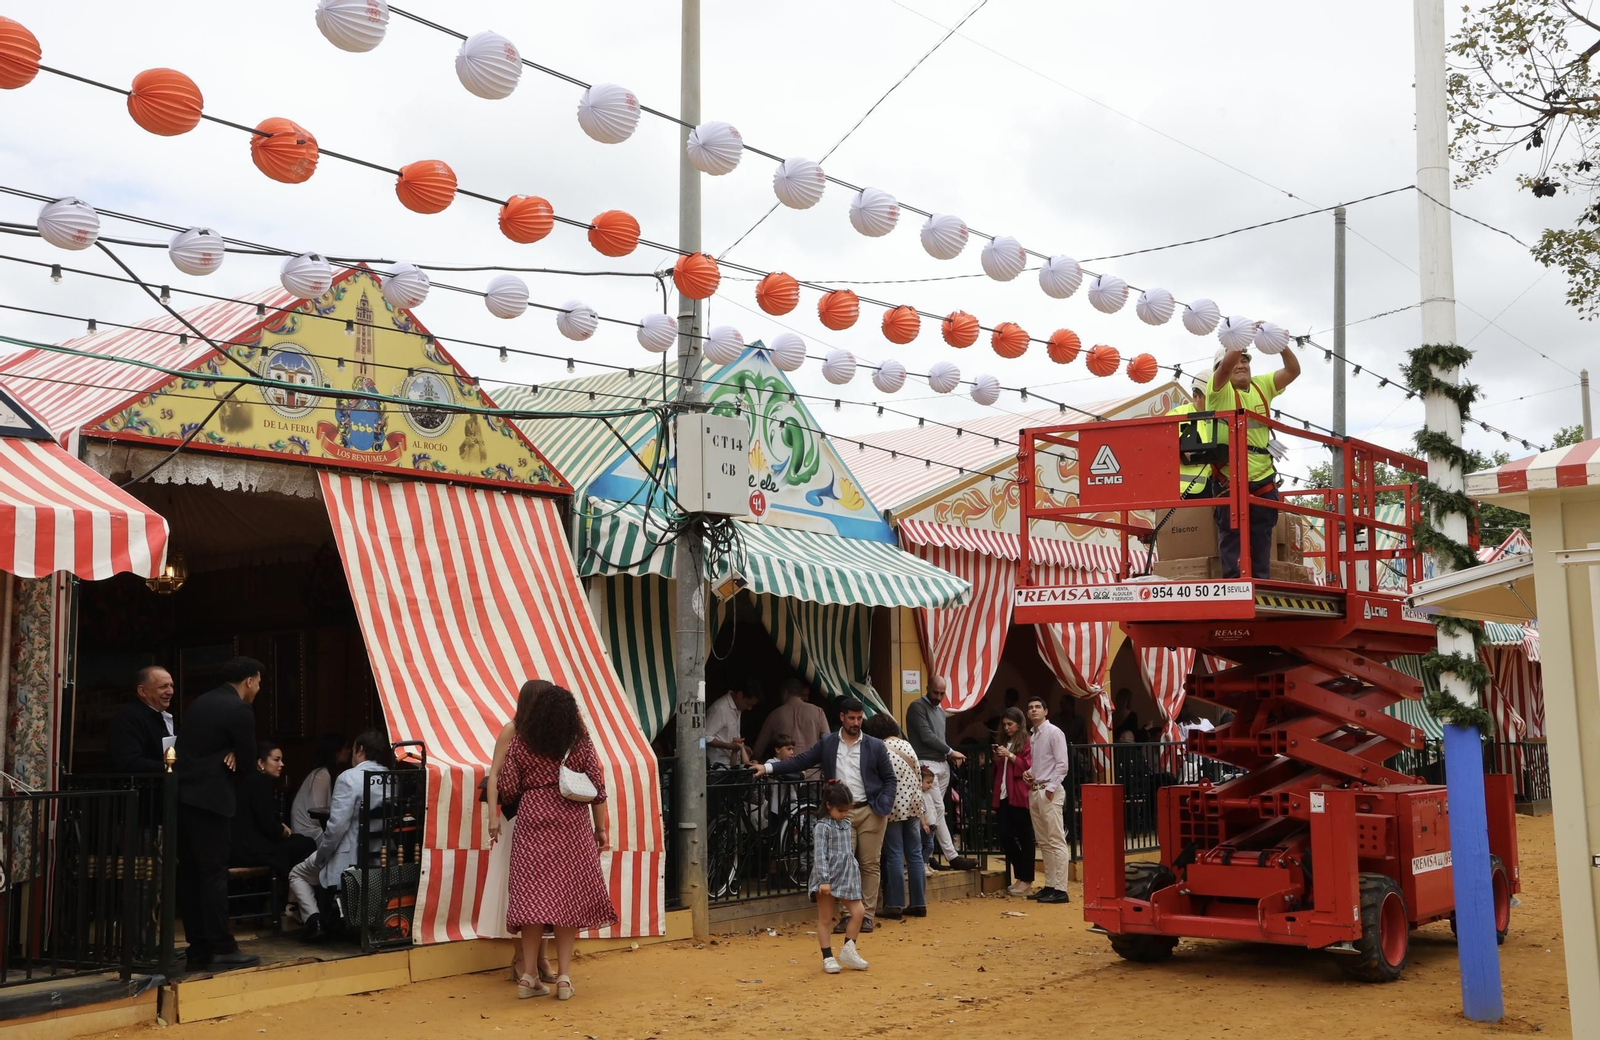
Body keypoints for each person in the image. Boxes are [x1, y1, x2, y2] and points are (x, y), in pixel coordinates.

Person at [493, 684, 616, 1001]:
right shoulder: (580, 741)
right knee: (567, 900)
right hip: (572, 823)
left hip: (533, 821)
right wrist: (600, 828)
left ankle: (528, 977)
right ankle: (563, 979)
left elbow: (507, 788)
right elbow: (597, 786)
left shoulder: (521, 742)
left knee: (532, 899)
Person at [753, 697, 895, 932]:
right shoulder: (829, 743)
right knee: (841, 863)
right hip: (841, 813)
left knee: (870, 864)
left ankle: (866, 915)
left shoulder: (875, 745)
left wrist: (885, 804)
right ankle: (847, 915)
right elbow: (800, 760)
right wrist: (768, 767)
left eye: (859, 718)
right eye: (851, 718)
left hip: (870, 810)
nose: (856, 722)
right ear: (841, 717)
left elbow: (889, 779)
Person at [173, 656, 263, 970]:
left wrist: (234, 749)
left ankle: (198, 948)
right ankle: (223, 947)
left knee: (190, 875)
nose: (258, 689)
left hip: (183, 798)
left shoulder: (200, 703)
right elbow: (251, 766)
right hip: (212, 800)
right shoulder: (240, 709)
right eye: (258, 683)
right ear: (249, 681)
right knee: (213, 876)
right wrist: (240, 752)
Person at [484, 681, 559, 987]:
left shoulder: (548, 731)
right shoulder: (511, 729)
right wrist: (492, 815)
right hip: (514, 816)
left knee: (541, 888)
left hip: (540, 818)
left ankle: (538, 958)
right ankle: (521, 959)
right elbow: (494, 775)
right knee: (514, 886)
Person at [287, 730, 394, 943]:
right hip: (380, 857)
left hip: (349, 859)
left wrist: (322, 855)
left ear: (360, 750)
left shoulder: (349, 778)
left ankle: (314, 920)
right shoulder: (390, 777)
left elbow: (336, 828)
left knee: (296, 874)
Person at [1208, 340, 1300, 579]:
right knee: (1231, 536)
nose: (1242, 365)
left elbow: (1293, 371)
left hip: (1262, 479)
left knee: (1261, 537)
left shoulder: (1261, 386)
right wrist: (1239, 340)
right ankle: (1233, 586)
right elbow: (1226, 369)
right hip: (1229, 479)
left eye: (1245, 360)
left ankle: (1261, 583)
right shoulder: (1218, 390)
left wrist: (1279, 343)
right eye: (1236, 361)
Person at [905, 676, 977, 871]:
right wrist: (950, 752)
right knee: (935, 811)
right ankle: (951, 856)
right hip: (926, 764)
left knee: (935, 812)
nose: (938, 697)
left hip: (940, 764)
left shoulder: (939, 710)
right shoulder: (917, 707)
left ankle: (927, 855)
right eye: (935, 692)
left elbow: (938, 738)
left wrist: (948, 755)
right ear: (927, 688)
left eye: (942, 693)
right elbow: (926, 736)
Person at [862, 714, 926, 921]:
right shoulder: (908, 746)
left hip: (893, 806)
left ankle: (895, 904)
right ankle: (919, 903)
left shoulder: (880, 748)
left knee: (895, 854)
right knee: (915, 853)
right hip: (915, 803)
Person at [808, 781, 869, 974]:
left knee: (859, 912)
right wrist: (823, 879)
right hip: (827, 876)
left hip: (846, 875)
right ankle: (827, 957)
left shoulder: (847, 823)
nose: (844, 814)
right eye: (841, 810)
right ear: (829, 805)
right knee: (825, 918)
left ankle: (849, 949)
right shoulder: (821, 827)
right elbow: (819, 855)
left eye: (847, 810)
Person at [231, 742, 316, 879]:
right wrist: (283, 832)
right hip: (253, 850)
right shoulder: (261, 781)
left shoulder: (247, 780)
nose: (281, 764)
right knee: (307, 843)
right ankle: (290, 897)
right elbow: (267, 824)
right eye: (276, 760)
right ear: (261, 763)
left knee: (300, 841)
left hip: (240, 847)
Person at [1022, 695, 1070, 905]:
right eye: (1030, 707)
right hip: (1036, 788)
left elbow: (1062, 764)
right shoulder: (1034, 736)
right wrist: (1029, 772)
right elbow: (1042, 764)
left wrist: (1051, 788)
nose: (1033, 710)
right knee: (1043, 841)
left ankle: (1061, 888)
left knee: (1056, 839)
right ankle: (1050, 885)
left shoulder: (1054, 732)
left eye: (1037, 707)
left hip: (1049, 790)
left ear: (1046, 711)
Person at [990, 707, 1035, 897]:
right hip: (1004, 794)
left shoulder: (1027, 741)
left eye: (1010, 724)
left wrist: (1010, 756)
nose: (1007, 728)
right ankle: (1022, 875)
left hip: (1019, 794)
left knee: (1025, 837)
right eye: (1005, 724)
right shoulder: (1004, 742)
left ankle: (1026, 879)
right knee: (1005, 835)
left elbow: (1028, 766)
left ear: (1019, 724)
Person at [108, 665, 176, 774]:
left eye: (171, 685)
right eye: (163, 687)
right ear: (142, 691)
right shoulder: (128, 719)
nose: (170, 691)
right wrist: (171, 768)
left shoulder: (164, 716)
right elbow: (129, 763)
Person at [752, 678, 829, 761]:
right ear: (800, 693)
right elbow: (829, 743)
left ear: (785, 692)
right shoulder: (818, 712)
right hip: (814, 771)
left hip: (785, 771)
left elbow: (757, 751)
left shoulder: (775, 714)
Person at [289, 734, 348, 838]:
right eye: (346, 748)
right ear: (336, 752)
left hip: (317, 828)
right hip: (309, 831)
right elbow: (319, 815)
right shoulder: (322, 775)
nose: (349, 751)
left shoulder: (331, 774)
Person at [704, 682, 759, 770]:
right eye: (748, 704)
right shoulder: (719, 709)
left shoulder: (738, 707)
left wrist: (742, 747)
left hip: (732, 765)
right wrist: (729, 746)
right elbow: (704, 738)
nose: (749, 708)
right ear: (740, 695)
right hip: (717, 766)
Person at [918, 766, 938, 875]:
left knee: (930, 846)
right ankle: (923, 864)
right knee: (928, 846)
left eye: (931, 783)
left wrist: (935, 823)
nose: (930, 785)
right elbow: (921, 811)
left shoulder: (928, 795)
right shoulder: (920, 795)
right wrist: (924, 824)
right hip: (924, 826)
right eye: (928, 782)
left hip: (931, 825)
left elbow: (932, 810)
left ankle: (926, 864)